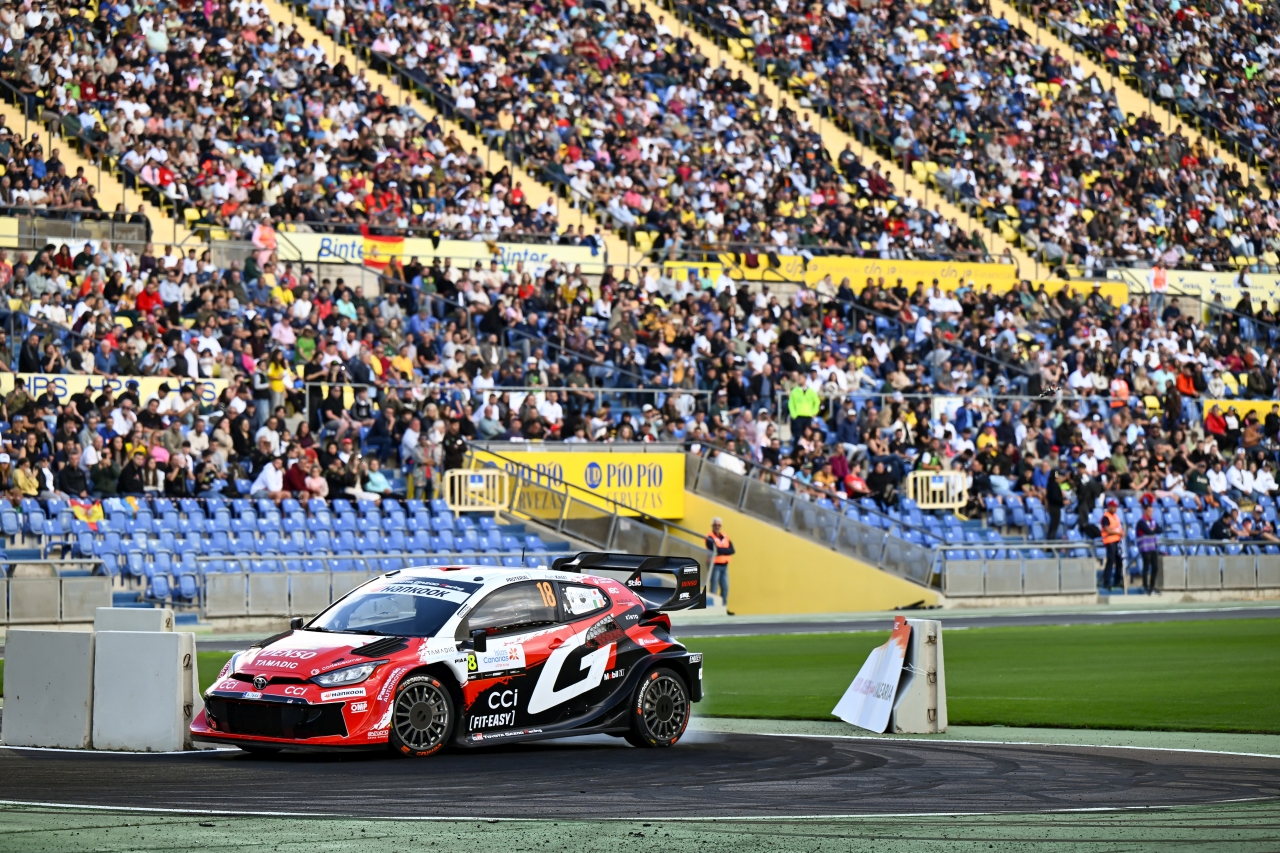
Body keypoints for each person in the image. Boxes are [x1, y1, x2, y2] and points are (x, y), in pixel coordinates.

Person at [705, 517, 735, 614]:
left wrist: (722, 551)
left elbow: (732, 550)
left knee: (725, 587)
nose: (717, 527)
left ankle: (723, 608)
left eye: (719, 525)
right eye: (715, 525)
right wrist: (725, 551)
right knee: (714, 588)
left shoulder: (725, 536)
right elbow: (714, 549)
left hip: (724, 565)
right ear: (712, 525)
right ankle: (712, 610)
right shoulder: (709, 537)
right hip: (715, 565)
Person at [1135, 501, 1161, 595]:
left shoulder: (1153, 521)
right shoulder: (1141, 522)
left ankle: (1152, 586)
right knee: (1146, 567)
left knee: (1155, 567)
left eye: (1152, 511)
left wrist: (1153, 529)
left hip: (1153, 547)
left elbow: (1160, 529)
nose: (1151, 513)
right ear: (1145, 511)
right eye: (1149, 511)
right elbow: (1148, 531)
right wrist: (1153, 530)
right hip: (1145, 548)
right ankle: (1145, 586)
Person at [1100, 497, 1125, 592]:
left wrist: (1122, 532)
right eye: (1113, 507)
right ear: (1109, 507)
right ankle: (1107, 582)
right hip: (1109, 541)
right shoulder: (1105, 517)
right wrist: (1118, 533)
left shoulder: (1115, 516)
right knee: (1110, 561)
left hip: (1117, 541)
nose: (1115, 509)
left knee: (1119, 561)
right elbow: (1107, 530)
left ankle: (1117, 581)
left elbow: (1118, 527)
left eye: (1116, 507)